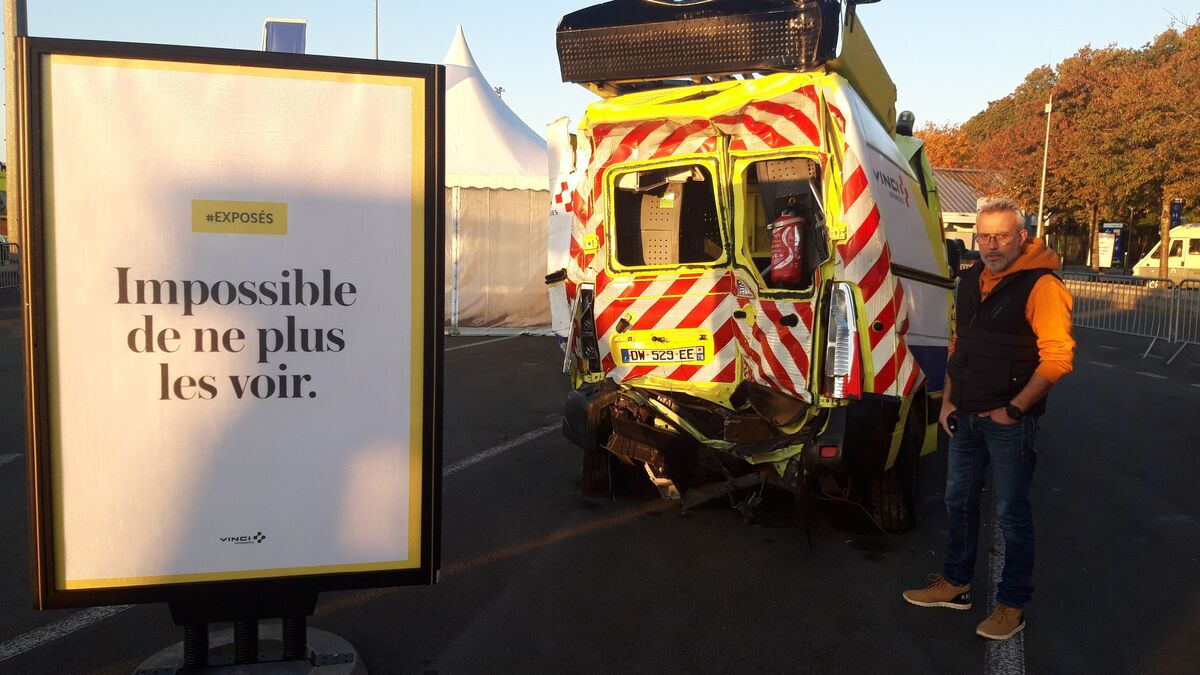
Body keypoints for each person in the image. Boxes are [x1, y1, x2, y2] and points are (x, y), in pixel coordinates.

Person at [902, 198, 1075, 641]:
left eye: (1000, 236)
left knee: (1011, 514)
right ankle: (956, 584)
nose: (991, 246)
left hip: (1009, 423)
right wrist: (948, 402)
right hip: (966, 416)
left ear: (1022, 237)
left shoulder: (1042, 286)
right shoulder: (970, 280)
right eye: (984, 237)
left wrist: (1014, 410)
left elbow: (1058, 359)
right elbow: (962, 344)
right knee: (957, 503)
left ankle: (1012, 605)